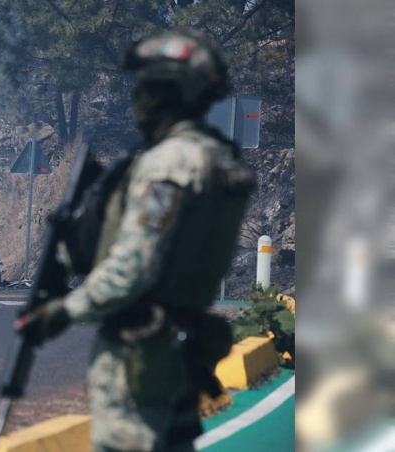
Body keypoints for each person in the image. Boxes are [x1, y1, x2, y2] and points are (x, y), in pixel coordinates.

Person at [15, 30, 255, 451]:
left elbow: (135, 266)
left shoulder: (169, 165)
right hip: (184, 348)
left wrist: (63, 311)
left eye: (146, 88)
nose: (137, 99)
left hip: (141, 355)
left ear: (167, 94)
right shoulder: (219, 159)